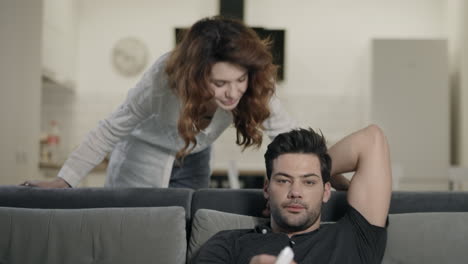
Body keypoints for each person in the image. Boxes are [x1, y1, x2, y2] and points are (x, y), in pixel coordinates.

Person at [21, 16, 350, 190]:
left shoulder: (254, 85)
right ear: (195, 75)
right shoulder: (163, 78)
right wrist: (64, 179)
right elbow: (111, 127)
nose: (232, 93)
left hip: (194, 157)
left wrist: (328, 174)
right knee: (138, 229)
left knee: (188, 226)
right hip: (141, 155)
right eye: (219, 83)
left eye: (239, 80)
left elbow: (289, 136)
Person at [191, 125, 392, 264]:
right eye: (284, 180)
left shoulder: (355, 236)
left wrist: (322, 167)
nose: (295, 192)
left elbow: (371, 139)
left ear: (326, 191)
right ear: (267, 189)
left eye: (309, 182)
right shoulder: (229, 244)